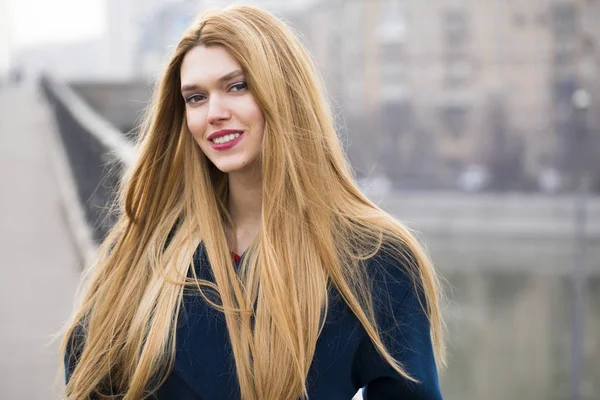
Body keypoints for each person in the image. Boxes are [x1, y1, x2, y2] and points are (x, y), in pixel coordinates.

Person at [61, 5, 446, 400]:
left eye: (236, 86)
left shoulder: (373, 258)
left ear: (284, 93)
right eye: (196, 97)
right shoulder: (152, 242)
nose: (214, 113)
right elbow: (88, 370)